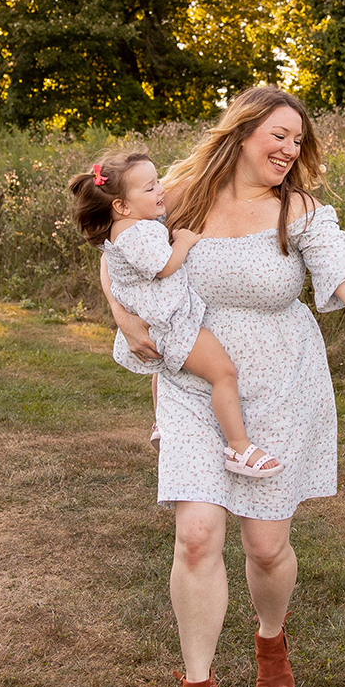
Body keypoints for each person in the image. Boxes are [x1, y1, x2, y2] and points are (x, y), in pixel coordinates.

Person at [100, 85, 345, 687]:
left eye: (298, 139)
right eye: (279, 135)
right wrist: (124, 317)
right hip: (192, 375)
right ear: (242, 132)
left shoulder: (301, 213)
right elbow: (115, 247)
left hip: (279, 383)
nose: (290, 149)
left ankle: (270, 636)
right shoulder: (180, 194)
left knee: (265, 548)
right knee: (195, 536)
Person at [69, 149, 281, 477]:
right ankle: (239, 447)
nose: (161, 189)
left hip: (157, 321)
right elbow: (165, 267)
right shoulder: (137, 233)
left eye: (157, 182)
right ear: (122, 206)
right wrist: (184, 240)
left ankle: (160, 422)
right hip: (170, 324)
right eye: (150, 187)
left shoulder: (125, 227)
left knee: (164, 370)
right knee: (223, 373)